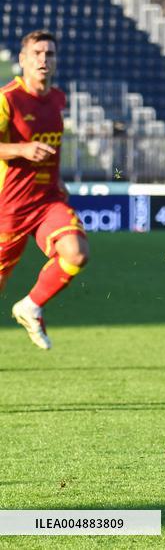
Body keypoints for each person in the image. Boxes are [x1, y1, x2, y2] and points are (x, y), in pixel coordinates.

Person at [0, 30, 89, 349]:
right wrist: (21, 150)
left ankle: (31, 305)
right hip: (8, 206)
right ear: (22, 60)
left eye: (49, 54)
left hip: (47, 200)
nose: (43, 59)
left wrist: (57, 178)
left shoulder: (58, 99)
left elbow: (51, 146)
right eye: (36, 53)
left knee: (76, 252)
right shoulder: (8, 98)